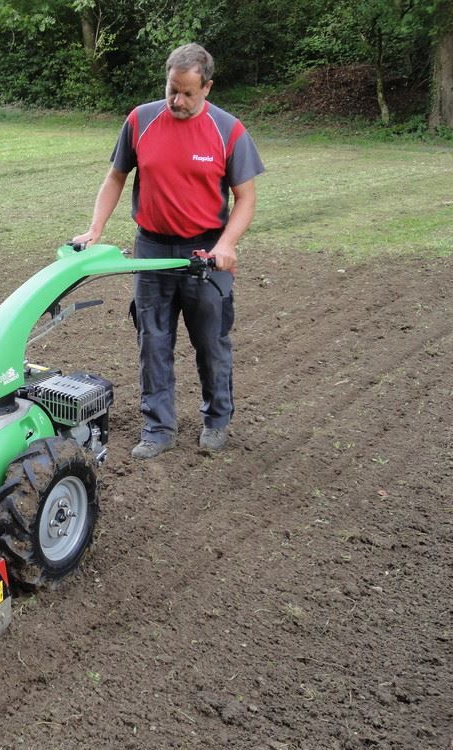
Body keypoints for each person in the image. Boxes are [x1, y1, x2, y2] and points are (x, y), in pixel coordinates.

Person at [72, 42, 265, 459]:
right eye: (171, 90)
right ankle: (158, 428)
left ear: (207, 88)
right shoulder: (141, 120)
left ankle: (216, 420)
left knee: (211, 343)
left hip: (205, 253)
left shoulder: (228, 130)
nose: (177, 100)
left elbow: (246, 197)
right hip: (152, 250)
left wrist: (227, 244)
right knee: (153, 341)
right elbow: (116, 177)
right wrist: (95, 228)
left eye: (187, 93)